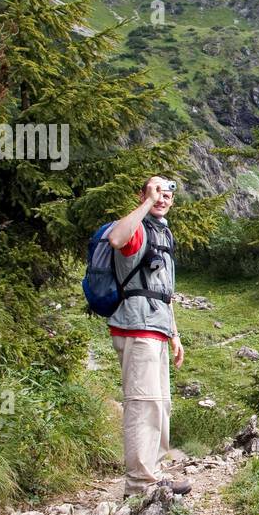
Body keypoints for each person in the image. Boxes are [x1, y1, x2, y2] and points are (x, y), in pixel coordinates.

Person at [106, 175, 190, 497]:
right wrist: (144, 204)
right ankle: (140, 484)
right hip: (136, 328)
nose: (162, 196)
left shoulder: (162, 233)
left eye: (167, 192)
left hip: (157, 328)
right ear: (143, 194)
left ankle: (154, 473)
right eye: (155, 190)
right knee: (142, 404)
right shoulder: (136, 228)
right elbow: (116, 238)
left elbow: (165, 293)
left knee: (160, 405)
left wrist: (175, 334)